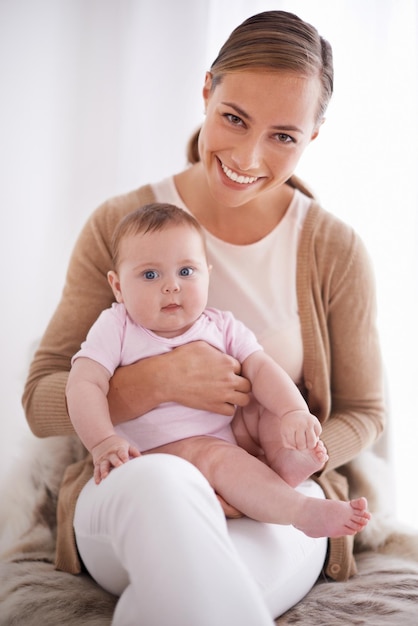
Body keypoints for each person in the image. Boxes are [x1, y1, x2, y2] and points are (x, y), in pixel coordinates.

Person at [22, 9, 385, 625]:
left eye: (283, 136)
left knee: (199, 593)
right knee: (168, 494)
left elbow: (366, 413)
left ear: (312, 138)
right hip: (136, 483)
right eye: (234, 119)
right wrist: (157, 384)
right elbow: (40, 400)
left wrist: (280, 455)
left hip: (273, 498)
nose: (247, 154)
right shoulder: (120, 224)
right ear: (207, 89)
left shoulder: (333, 249)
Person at [66, 202, 371, 539]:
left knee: (264, 406)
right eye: (150, 275)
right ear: (118, 286)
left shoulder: (221, 325)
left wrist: (293, 412)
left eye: (185, 271)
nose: (171, 286)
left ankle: (284, 458)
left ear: (207, 273)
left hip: (227, 435)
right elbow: (83, 384)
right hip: (158, 452)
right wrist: (102, 442)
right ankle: (301, 511)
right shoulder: (116, 327)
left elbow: (262, 367)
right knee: (215, 455)